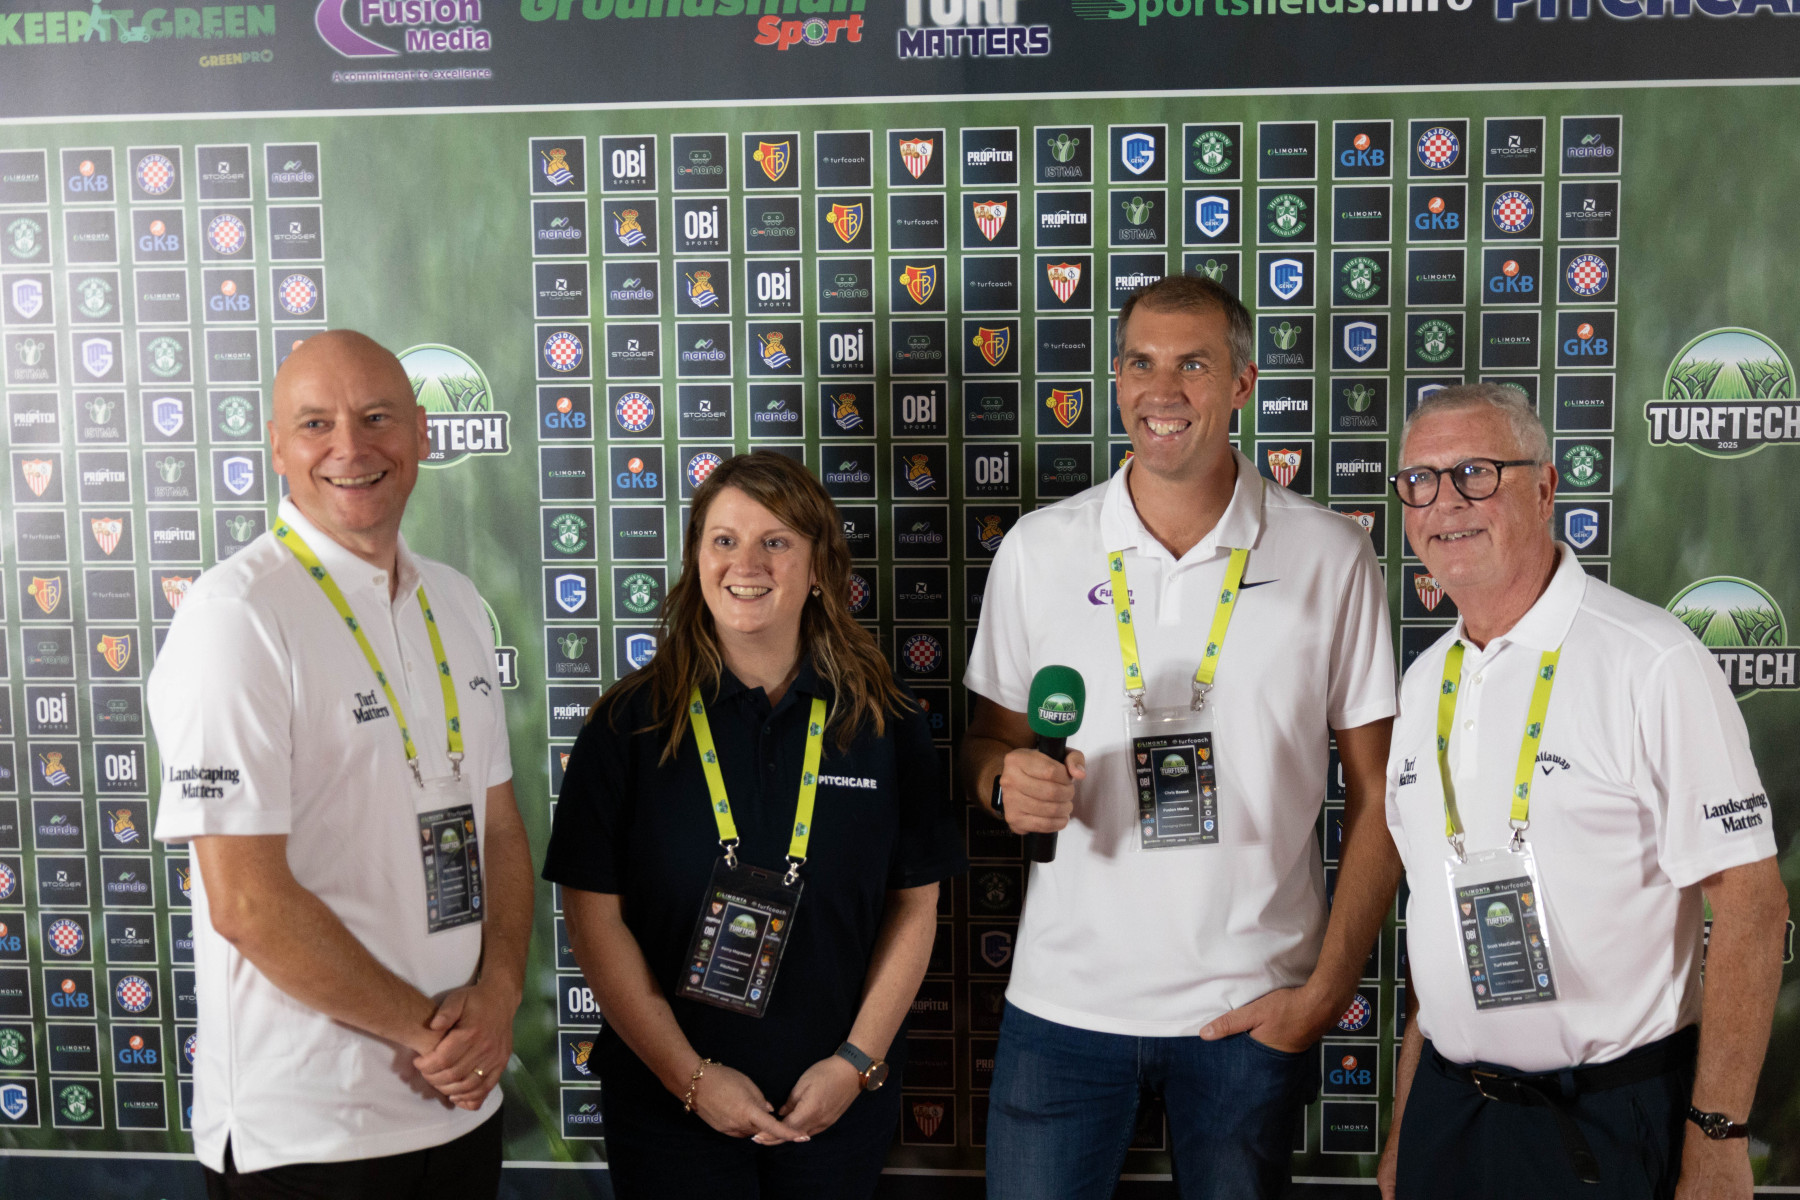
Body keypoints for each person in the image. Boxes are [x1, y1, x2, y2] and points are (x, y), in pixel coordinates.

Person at [961, 274, 1402, 1199]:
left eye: (1193, 365)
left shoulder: (1331, 553)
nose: (1162, 391)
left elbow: (1382, 791)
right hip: (1063, 1007)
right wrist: (1003, 782)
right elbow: (988, 740)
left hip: (1249, 1009)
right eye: (1141, 363)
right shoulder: (1040, 548)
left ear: (1242, 383)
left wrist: (1326, 991)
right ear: (1117, 380)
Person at [1376, 384, 1788, 1200]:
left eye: (1475, 474)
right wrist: (1405, 1127)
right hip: (1450, 1116)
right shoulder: (1424, 684)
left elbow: (1752, 902)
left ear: (1544, 488)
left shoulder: (1650, 660)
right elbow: (1438, 913)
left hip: (1604, 1120)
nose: (1443, 503)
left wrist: (1717, 1137)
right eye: (1419, 480)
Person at [149, 330, 533, 1198]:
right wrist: (437, 1037)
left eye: (377, 418)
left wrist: (501, 993)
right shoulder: (236, 615)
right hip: (309, 1138)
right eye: (316, 424)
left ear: (422, 435)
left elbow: (500, 828)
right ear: (277, 447)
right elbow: (247, 903)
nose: (350, 448)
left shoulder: (454, 601)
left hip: (460, 1113)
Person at [543, 452, 965, 1200]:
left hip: (832, 1104)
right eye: (724, 540)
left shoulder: (884, 721)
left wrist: (854, 1064)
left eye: (776, 542)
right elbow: (593, 920)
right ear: (697, 560)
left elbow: (915, 906)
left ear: (819, 567)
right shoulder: (626, 725)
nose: (747, 564)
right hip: (668, 1106)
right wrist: (691, 1078)